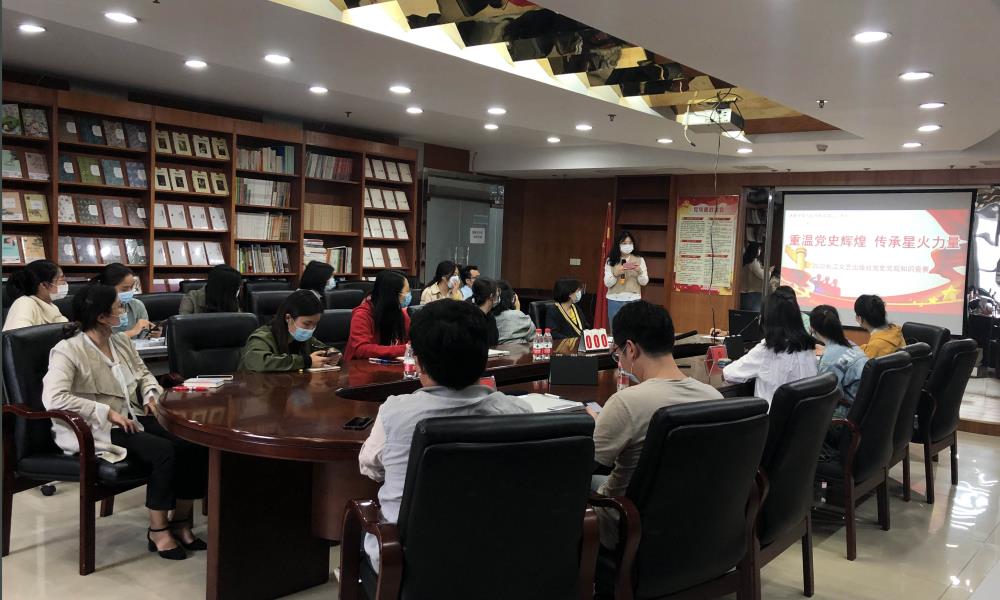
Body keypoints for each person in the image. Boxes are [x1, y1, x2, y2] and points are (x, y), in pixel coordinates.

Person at [358, 299, 532, 571]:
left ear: (418, 362)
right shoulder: (518, 412)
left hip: (409, 563)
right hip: (497, 557)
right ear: (484, 357)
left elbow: (370, 467)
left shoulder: (395, 412)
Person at [41, 284, 207, 560]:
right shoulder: (68, 350)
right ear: (102, 317)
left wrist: (150, 395)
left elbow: (143, 374)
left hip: (132, 416)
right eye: (118, 307)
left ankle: (180, 520)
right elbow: (54, 397)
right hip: (96, 428)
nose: (123, 310)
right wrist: (105, 412)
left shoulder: (120, 341)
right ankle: (158, 529)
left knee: (192, 442)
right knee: (163, 452)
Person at [591, 301, 723, 548]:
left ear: (631, 349)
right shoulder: (714, 398)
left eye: (617, 353)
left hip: (626, 526)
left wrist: (600, 424)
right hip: (692, 523)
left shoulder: (626, 403)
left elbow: (583, 466)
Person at [722, 286, 818, 403]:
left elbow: (729, 374)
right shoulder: (808, 347)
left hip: (771, 413)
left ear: (768, 319)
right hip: (803, 413)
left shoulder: (767, 350)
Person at [239, 290, 341, 372]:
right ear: (288, 318)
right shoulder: (262, 337)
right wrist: (306, 362)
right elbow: (260, 363)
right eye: (307, 324)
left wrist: (331, 355)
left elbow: (323, 348)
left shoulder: (306, 339)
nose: (311, 329)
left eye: (315, 324)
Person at [810, 305, 868, 417]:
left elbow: (827, 398)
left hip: (845, 415)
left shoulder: (829, 360)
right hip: (864, 411)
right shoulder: (851, 344)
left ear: (812, 328)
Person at [345, 270, 412, 360]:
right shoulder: (362, 315)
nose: (409, 294)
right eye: (406, 291)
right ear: (392, 295)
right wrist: (404, 349)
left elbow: (413, 341)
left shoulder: (402, 314)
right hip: (361, 366)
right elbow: (361, 349)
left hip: (392, 365)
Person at [91, 263, 157, 338]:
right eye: (124, 289)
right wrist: (133, 331)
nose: (129, 292)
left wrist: (152, 335)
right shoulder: (94, 309)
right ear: (107, 288)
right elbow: (97, 340)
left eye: (131, 287)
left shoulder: (137, 305)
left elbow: (144, 337)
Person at [3, 260, 70, 331]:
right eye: (62, 279)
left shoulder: (52, 306)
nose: (65, 284)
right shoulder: (24, 302)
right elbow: (17, 335)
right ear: (44, 285)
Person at [603, 231, 649, 327]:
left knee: (633, 330)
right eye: (624, 243)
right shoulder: (610, 260)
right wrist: (616, 274)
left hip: (633, 300)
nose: (627, 245)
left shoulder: (639, 260)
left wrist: (640, 272)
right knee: (616, 329)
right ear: (618, 245)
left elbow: (644, 282)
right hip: (614, 300)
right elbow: (607, 283)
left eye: (630, 243)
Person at [178, 265, 242, 314]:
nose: (238, 291)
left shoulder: (230, 299)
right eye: (236, 288)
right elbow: (183, 325)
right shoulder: (191, 299)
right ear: (225, 290)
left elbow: (240, 322)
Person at [470, 277, 500, 347]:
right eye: (497, 292)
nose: (498, 295)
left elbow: (494, 343)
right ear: (491, 296)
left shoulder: (490, 317)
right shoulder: (471, 318)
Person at [740, 242, 766, 311]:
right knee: (754, 315)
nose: (760, 251)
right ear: (755, 250)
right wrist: (769, 271)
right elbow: (763, 276)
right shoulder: (753, 262)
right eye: (759, 249)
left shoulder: (743, 260)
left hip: (742, 294)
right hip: (753, 295)